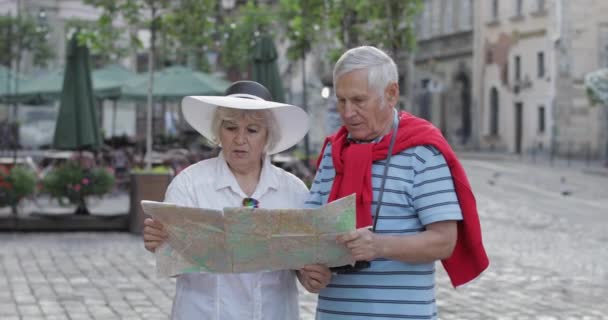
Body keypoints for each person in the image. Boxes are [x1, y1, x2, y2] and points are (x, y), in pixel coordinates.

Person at [299, 46, 489, 319]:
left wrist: (378, 246)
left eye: (358, 100)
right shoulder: (333, 152)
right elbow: (309, 233)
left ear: (391, 94)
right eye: (341, 101)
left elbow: (444, 241)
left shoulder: (423, 154)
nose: (347, 112)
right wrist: (307, 272)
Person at [142, 80, 331, 320]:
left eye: (252, 130)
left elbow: (306, 272)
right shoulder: (189, 184)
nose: (240, 139)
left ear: (267, 137)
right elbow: (173, 268)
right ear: (218, 132)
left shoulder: (293, 191)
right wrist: (160, 243)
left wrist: (314, 277)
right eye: (231, 128)